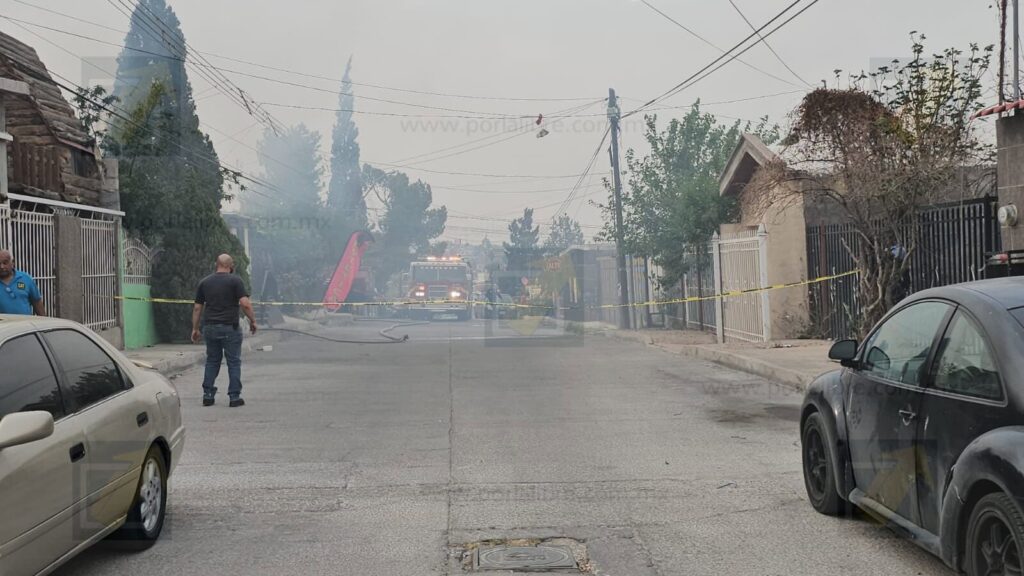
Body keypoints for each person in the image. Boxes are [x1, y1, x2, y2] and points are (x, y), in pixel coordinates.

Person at [192, 254, 257, 408]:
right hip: (230, 327)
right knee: (233, 362)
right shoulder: (235, 281)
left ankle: (208, 395)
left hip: (210, 327)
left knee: (212, 361)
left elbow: (197, 307)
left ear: (217, 264)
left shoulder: (205, 282)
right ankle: (234, 397)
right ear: (231, 265)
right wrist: (253, 321)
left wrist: (195, 328)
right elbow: (245, 304)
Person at [0, 250, 45, 316]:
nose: (1, 267)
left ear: (12, 263)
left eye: (5, 263)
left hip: (25, 325)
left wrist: (43, 321)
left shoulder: (26, 279)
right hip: (4, 325)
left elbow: (36, 302)